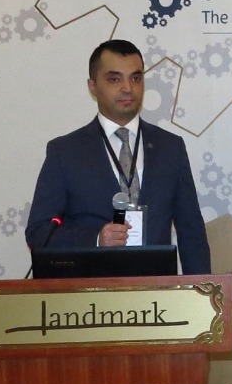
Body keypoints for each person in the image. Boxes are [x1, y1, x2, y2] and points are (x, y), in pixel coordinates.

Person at [25, 38, 210, 273]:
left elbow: (191, 232)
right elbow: (39, 232)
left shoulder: (171, 148)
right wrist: (96, 239)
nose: (127, 88)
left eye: (136, 78)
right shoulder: (64, 152)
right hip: (90, 291)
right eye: (114, 79)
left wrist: (202, 290)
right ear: (92, 86)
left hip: (157, 290)